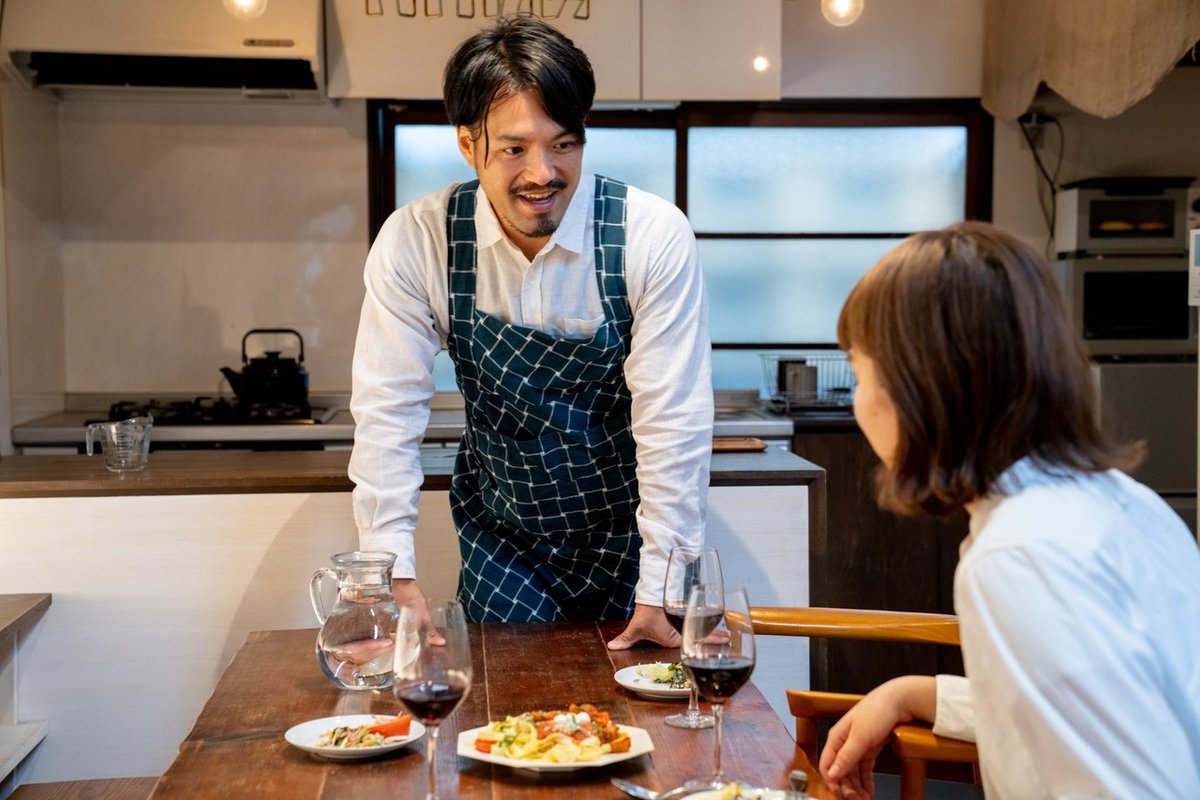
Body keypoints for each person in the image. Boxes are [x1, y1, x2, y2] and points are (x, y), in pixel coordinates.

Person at [348, 14, 712, 651]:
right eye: (514, 148)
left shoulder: (650, 235)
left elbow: (673, 419)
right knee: (506, 711)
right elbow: (387, 412)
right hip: (505, 536)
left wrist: (665, 583)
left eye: (564, 144)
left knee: (641, 724)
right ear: (467, 144)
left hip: (630, 536)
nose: (542, 172)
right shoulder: (420, 240)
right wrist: (391, 573)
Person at [819, 221, 1200, 799]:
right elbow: (1112, 710)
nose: (857, 400)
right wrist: (911, 693)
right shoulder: (1121, 501)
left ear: (919, 383)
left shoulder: (1020, 554)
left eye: (858, 370)